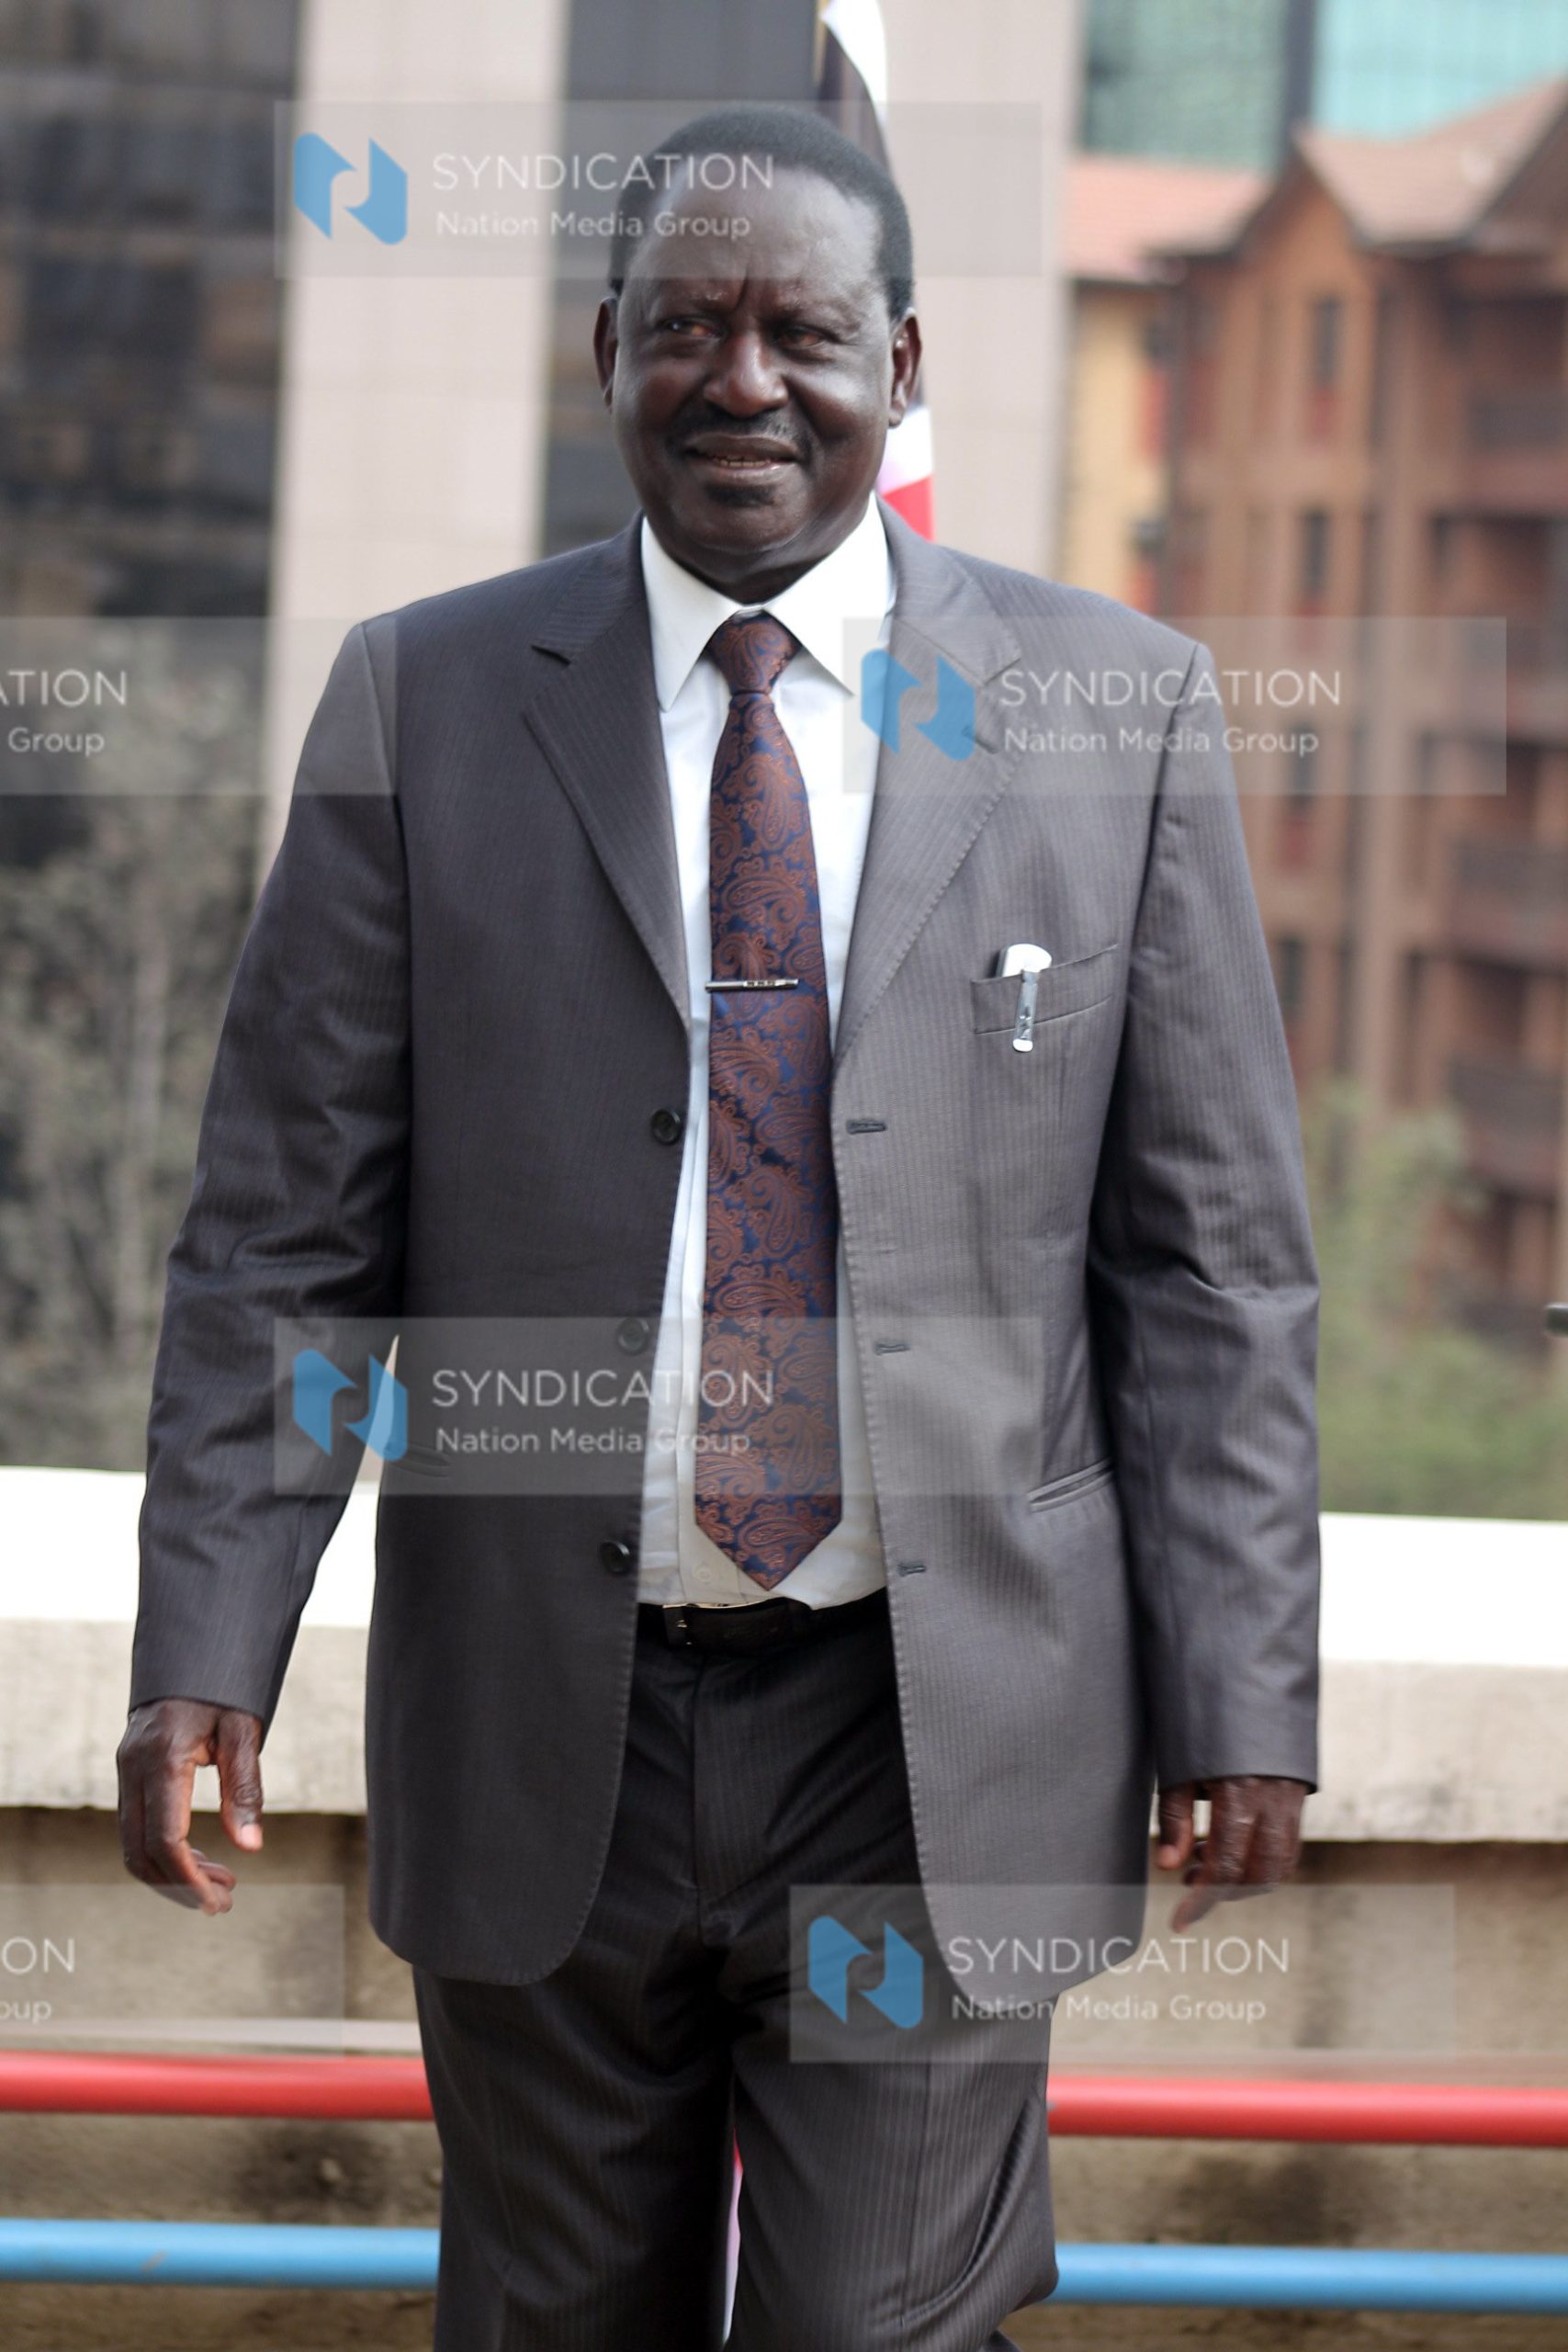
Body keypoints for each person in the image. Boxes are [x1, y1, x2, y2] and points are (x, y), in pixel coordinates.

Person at [118, 105, 1320, 2351]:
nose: (742, 380)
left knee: (869, 2322)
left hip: (917, 1739)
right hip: (551, 1719)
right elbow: (286, 1231)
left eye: (802, 332)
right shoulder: (428, 696)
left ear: (905, 360)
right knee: (560, 2318)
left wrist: (1241, 1678)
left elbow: (1209, 1262)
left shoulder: (1107, 710)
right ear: (605, 352)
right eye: (687, 327)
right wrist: (209, 1635)